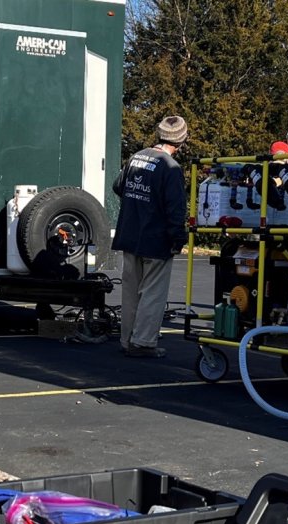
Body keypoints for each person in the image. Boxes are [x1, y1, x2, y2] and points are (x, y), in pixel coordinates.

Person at [112, 116, 188, 358]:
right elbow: (175, 210)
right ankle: (143, 342)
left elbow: (118, 186)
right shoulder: (171, 167)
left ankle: (127, 340)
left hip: (130, 234)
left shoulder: (137, 157)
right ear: (181, 141)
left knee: (131, 291)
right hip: (155, 240)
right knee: (152, 294)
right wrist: (178, 239)